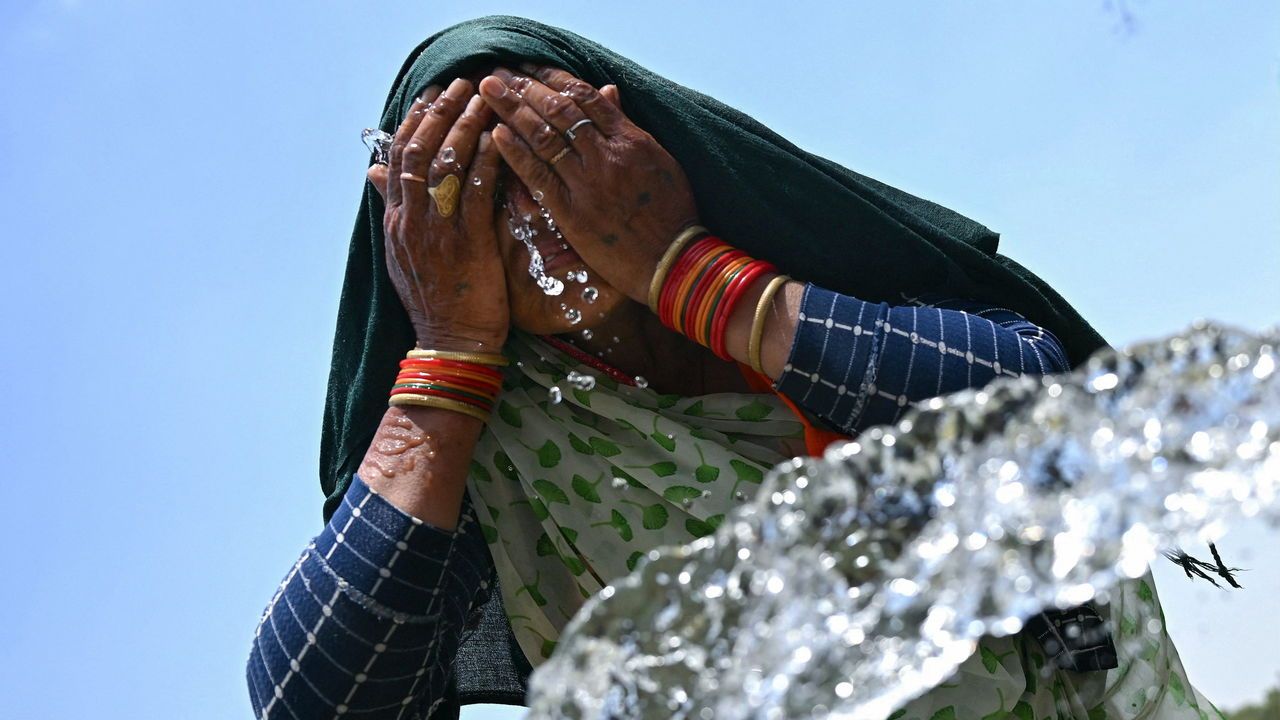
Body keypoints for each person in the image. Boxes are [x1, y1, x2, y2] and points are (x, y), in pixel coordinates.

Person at [247, 16, 1218, 720]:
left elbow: (1039, 411)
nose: (533, 206)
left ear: (624, 137)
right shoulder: (502, 457)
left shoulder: (771, 272)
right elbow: (312, 705)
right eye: (475, 184)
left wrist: (688, 275)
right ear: (421, 234)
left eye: (553, 148)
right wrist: (448, 356)